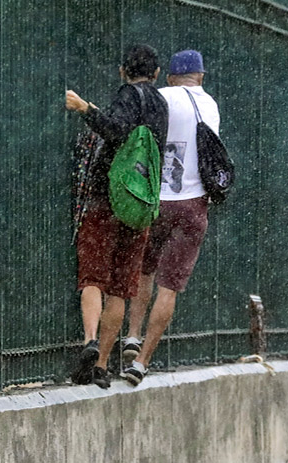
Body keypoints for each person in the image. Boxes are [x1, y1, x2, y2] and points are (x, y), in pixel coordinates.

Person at [64, 44, 168, 388]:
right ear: (156, 74)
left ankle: (90, 341)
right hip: (140, 208)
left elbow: (116, 131)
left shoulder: (127, 94)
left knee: (93, 276)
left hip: (108, 199)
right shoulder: (160, 104)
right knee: (121, 288)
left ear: (123, 70)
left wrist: (85, 108)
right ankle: (102, 366)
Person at [120, 49, 220, 386]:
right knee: (170, 287)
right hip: (194, 205)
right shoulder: (211, 105)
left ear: (169, 76)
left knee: (144, 269)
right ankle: (143, 362)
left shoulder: (162, 97)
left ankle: (132, 334)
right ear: (201, 77)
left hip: (157, 200)